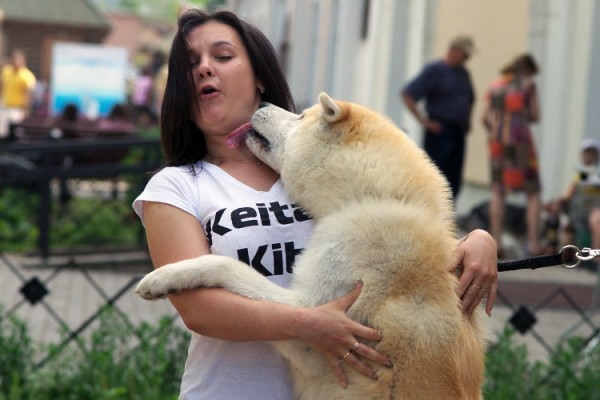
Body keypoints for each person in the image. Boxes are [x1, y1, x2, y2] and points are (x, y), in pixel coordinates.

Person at [132, 9, 498, 399]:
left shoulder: (314, 171)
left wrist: (474, 243)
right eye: (191, 63)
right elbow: (199, 310)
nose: (205, 68)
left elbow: (401, 252)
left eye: (222, 56)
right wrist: (304, 324)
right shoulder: (175, 187)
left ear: (259, 76)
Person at [401, 35, 476, 200]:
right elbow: (408, 94)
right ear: (454, 51)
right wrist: (425, 122)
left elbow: (470, 98)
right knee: (436, 175)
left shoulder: (463, 73)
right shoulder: (435, 70)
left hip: (458, 131)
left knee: (453, 178)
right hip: (440, 131)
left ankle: (447, 213)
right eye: (465, 55)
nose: (466, 59)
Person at [481, 53, 542, 257]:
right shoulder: (528, 85)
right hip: (521, 141)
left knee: (498, 190)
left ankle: (497, 242)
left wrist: (496, 128)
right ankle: (533, 243)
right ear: (527, 70)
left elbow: (484, 117)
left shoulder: (495, 85)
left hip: (497, 141)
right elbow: (535, 115)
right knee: (532, 190)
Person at [0, 49, 37, 138]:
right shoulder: (6, 71)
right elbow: (2, 86)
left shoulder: (27, 76)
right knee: (2, 133)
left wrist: (26, 109)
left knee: (14, 132)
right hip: (4, 106)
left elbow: (28, 94)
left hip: (17, 108)